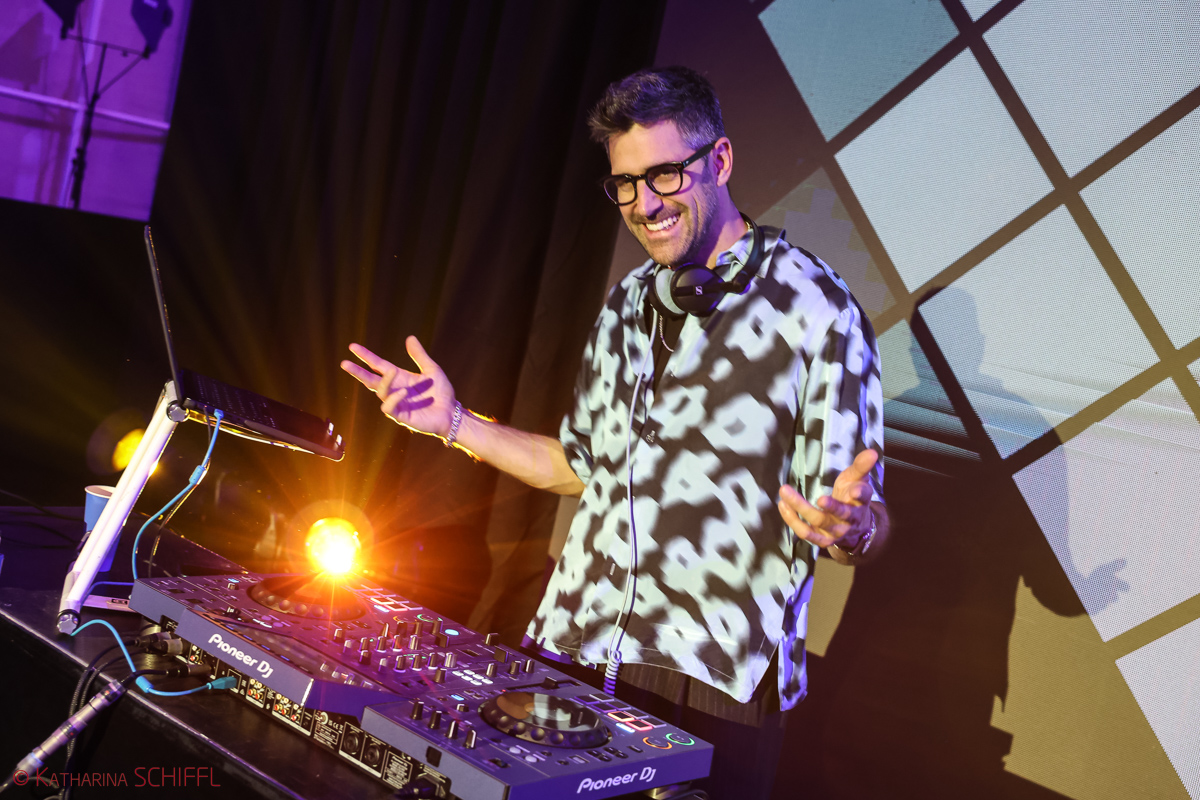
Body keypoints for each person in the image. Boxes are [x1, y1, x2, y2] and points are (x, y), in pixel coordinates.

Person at [342, 66, 888, 800]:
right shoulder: (629, 301)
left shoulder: (819, 309)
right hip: (574, 651)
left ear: (720, 160)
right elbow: (578, 466)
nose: (644, 203)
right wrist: (457, 423)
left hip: (711, 682)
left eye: (664, 175)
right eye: (625, 184)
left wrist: (852, 528)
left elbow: (854, 522)